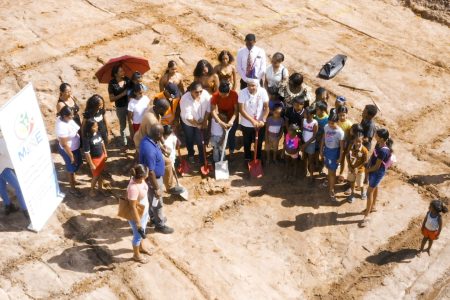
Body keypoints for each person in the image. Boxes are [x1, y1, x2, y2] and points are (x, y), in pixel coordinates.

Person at [139, 124, 174, 234]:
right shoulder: (149, 151)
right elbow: (151, 172)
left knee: (151, 200)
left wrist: (161, 149)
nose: (162, 137)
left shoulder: (148, 139)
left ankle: (153, 218)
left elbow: (156, 145)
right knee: (157, 202)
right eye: (162, 135)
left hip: (152, 178)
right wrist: (157, 188)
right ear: (158, 134)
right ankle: (160, 225)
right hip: (154, 179)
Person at [361, 128, 394, 227]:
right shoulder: (378, 144)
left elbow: (377, 166)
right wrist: (368, 164)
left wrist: (367, 170)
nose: (375, 136)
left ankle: (366, 215)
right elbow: (373, 155)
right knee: (375, 187)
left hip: (377, 172)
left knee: (369, 192)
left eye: (377, 135)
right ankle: (373, 206)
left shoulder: (384, 151)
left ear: (382, 139)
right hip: (373, 169)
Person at [238, 79, 269, 162]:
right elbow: (242, 110)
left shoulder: (263, 92)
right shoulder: (242, 92)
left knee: (258, 142)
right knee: (247, 141)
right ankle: (247, 157)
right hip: (246, 123)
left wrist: (263, 120)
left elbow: (266, 107)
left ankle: (258, 157)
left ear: (257, 85)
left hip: (259, 123)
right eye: (249, 85)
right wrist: (252, 121)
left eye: (253, 86)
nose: (251, 87)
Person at [126, 164, 152, 263]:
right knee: (137, 236)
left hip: (144, 212)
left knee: (142, 232)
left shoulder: (140, 180)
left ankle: (142, 247)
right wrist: (138, 223)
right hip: (137, 215)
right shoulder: (133, 188)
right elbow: (132, 207)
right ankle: (136, 255)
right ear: (142, 176)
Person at [180, 82, 211, 164]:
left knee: (200, 140)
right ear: (191, 91)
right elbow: (188, 116)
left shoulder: (205, 94)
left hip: (201, 120)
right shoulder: (185, 99)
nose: (199, 93)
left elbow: (208, 109)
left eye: (200, 91)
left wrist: (205, 121)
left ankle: (202, 158)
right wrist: (197, 125)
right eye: (196, 92)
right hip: (188, 123)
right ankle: (191, 154)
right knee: (189, 139)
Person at [56, 106, 83, 197]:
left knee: (76, 165)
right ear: (64, 116)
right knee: (71, 168)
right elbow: (64, 144)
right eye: (70, 116)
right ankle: (72, 188)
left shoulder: (67, 119)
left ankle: (74, 181)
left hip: (75, 147)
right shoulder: (61, 126)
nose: (72, 117)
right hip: (68, 150)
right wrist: (71, 156)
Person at [0, 131, 28, 217]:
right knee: (19, 187)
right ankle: (26, 210)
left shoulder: (5, 139)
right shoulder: (3, 142)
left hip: (4, 167)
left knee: (2, 188)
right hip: (5, 168)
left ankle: (8, 206)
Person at [320, 112, 345, 202]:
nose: (330, 125)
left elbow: (342, 147)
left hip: (334, 153)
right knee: (328, 168)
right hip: (327, 151)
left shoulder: (340, 132)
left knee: (332, 172)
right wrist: (321, 149)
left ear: (337, 122)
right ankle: (329, 181)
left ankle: (331, 189)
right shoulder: (326, 127)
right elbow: (323, 138)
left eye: (332, 123)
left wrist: (340, 157)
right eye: (329, 122)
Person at [210, 81, 239, 155]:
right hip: (222, 117)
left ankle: (231, 151)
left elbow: (236, 110)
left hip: (233, 116)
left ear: (229, 91)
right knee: (222, 134)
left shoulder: (234, 94)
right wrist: (220, 121)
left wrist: (231, 121)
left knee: (231, 134)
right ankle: (221, 151)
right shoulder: (215, 96)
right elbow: (213, 111)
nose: (222, 96)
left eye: (225, 95)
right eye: (221, 94)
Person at [83, 119, 108, 197]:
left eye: (97, 125)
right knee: (96, 176)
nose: (97, 127)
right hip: (94, 160)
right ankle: (92, 190)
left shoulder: (98, 133)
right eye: (94, 126)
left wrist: (105, 153)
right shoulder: (87, 138)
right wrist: (91, 164)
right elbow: (87, 153)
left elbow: (102, 143)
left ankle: (100, 188)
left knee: (101, 173)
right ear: (90, 127)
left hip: (101, 157)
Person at [108, 65, 131, 147]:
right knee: (123, 124)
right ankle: (124, 142)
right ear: (115, 74)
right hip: (120, 107)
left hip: (129, 106)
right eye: (121, 71)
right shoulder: (112, 83)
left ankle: (133, 139)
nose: (123, 72)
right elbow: (111, 99)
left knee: (131, 123)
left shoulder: (127, 80)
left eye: (123, 70)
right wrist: (123, 94)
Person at [346, 133, 368, 203]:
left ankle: (362, 192)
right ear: (353, 141)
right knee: (352, 181)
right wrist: (349, 165)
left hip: (360, 170)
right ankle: (352, 194)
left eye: (359, 141)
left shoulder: (364, 150)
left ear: (362, 141)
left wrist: (357, 168)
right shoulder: (350, 146)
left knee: (360, 184)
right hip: (351, 169)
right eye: (356, 141)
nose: (358, 143)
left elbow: (365, 161)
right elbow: (347, 155)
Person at [302, 106, 318, 182]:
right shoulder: (303, 121)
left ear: (311, 115)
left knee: (311, 161)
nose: (304, 113)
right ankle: (305, 171)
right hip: (304, 142)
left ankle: (311, 175)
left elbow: (314, 136)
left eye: (306, 113)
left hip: (311, 144)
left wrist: (305, 144)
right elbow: (301, 130)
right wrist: (296, 131)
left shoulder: (314, 123)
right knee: (304, 158)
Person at [336, 105, 353, 181]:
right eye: (340, 115)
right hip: (336, 144)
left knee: (342, 159)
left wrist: (348, 146)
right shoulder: (336, 122)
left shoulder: (349, 124)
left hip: (345, 144)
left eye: (343, 115)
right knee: (336, 157)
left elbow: (350, 137)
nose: (342, 117)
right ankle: (333, 172)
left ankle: (341, 173)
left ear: (347, 114)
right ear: (337, 114)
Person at [314, 101, 328, 175]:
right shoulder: (315, 116)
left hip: (322, 140)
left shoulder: (327, 119)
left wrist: (322, 140)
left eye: (317, 109)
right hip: (315, 138)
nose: (316, 111)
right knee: (316, 152)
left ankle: (321, 168)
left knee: (322, 154)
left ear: (322, 110)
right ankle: (316, 163)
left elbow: (326, 132)